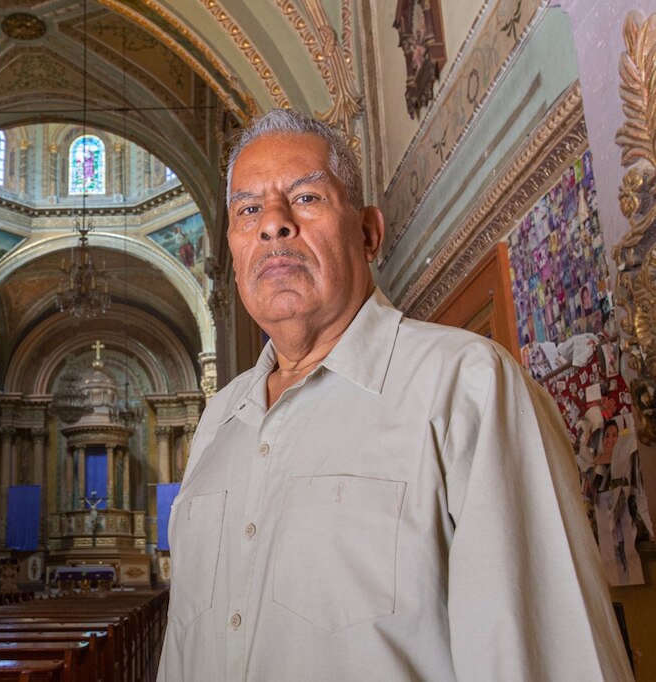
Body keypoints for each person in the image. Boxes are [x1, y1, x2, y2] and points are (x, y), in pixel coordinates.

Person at [157, 108, 632, 681]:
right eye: (248, 209)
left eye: (306, 198)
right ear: (233, 254)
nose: (273, 224)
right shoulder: (216, 423)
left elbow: (551, 660)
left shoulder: (468, 387)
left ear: (368, 232)